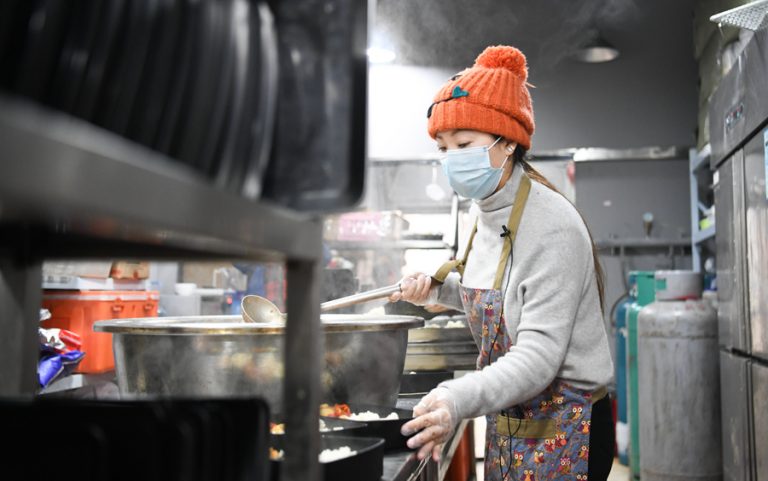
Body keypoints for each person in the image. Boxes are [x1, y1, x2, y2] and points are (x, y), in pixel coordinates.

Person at [391, 45, 615, 480]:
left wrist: (456, 397)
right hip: (513, 417)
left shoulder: (551, 225)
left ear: (507, 141)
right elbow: (507, 299)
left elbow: (537, 357)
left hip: (566, 427)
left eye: (464, 144)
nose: (451, 159)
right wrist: (438, 291)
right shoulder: (486, 210)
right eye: (443, 147)